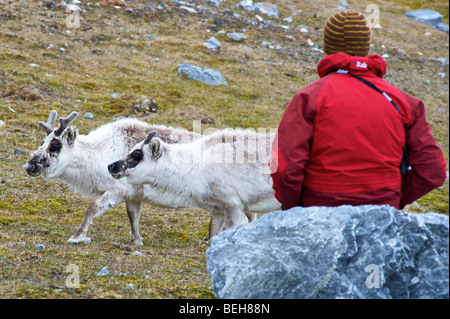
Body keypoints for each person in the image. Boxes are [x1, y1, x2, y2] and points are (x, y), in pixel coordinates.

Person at [270, 9, 446, 210]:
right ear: (366, 47)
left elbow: (286, 168)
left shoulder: (309, 97)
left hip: (321, 209)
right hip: (383, 212)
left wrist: (294, 209)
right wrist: (394, 201)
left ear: (328, 48)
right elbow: (433, 171)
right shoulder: (405, 102)